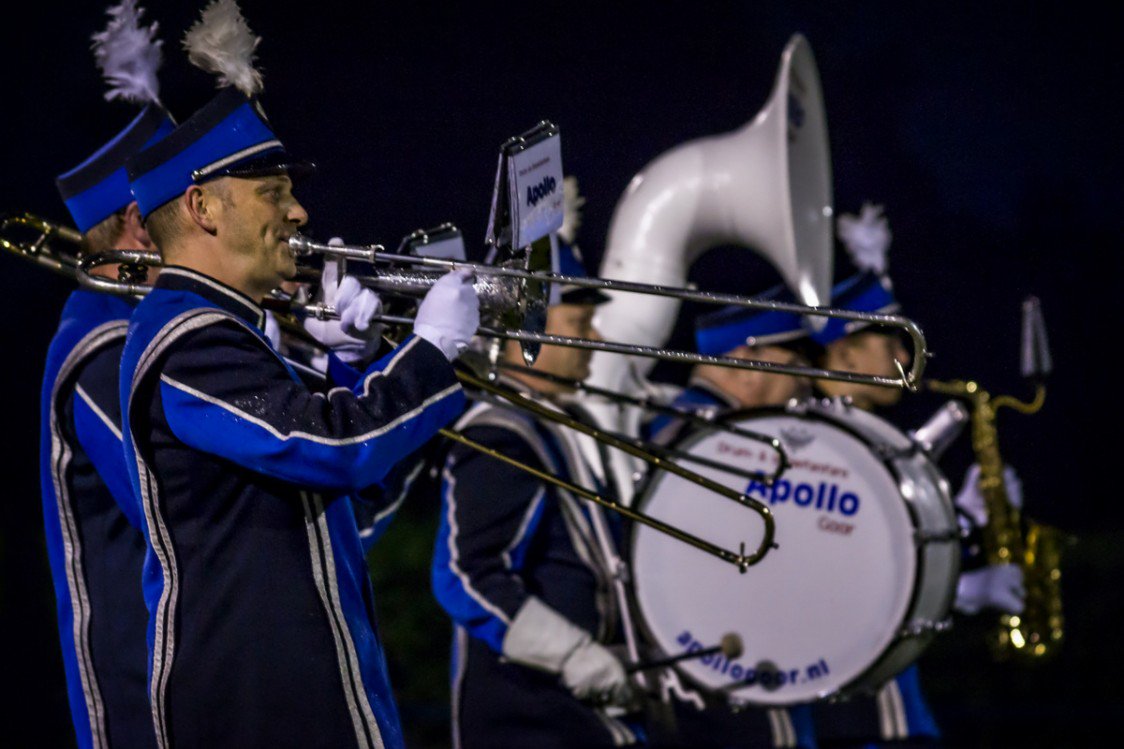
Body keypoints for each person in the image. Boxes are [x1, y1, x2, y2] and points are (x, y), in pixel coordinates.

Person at [117, 3, 478, 746]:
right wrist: (429, 351)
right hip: (257, 714)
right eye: (274, 195)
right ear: (203, 207)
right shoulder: (188, 341)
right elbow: (334, 447)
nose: (300, 211)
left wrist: (351, 363)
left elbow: (358, 490)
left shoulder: (238, 337)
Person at [809, 203, 1025, 748]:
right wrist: (964, 589)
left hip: (894, 710)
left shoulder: (863, 434)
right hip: (851, 715)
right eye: (892, 342)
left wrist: (964, 521)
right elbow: (851, 575)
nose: (908, 355)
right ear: (846, 355)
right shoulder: (822, 439)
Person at [431, 234, 650, 749]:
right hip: (529, 716)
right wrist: (571, 654)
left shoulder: (548, 424)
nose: (594, 337)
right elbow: (465, 575)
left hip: (566, 709)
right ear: (528, 323)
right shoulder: (499, 432)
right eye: (579, 323)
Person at [39, 4, 173, 746]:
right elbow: (185, 501)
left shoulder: (148, 332)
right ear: (134, 223)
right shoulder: (97, 347)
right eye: (187, 202)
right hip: (142, 710)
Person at [642, 295, 819, 749]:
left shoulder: (680, 421)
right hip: (721, 665)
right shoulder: (712, 436)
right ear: (745, 360)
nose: (806, 383)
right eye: (793, 363)